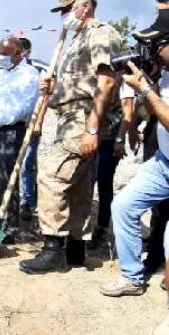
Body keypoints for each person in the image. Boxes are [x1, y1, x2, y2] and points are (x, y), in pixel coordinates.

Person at [19, 0, 121, 274]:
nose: (63, 15)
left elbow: (107, 81)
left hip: (84, 118)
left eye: (67, 8)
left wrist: (92, 128)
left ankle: (53, 250)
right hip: (70, 117)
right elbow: (78, 83)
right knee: (77, 185)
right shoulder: (76, 39)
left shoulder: (101, 33)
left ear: (85, 5)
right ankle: (76, 249)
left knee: (51, 177)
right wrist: (54, 88)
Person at [99, 13, 169, 298]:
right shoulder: (165, 71)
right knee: (124, 206)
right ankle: (132, 277)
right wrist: (145, 81)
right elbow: (152, 110)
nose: (152, 52)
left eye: (157, 45)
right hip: (164, 161)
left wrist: (146, 90)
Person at [0, 36, 39, 237]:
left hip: (10, 131)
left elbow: (25, 106)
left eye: (5, 54)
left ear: (18, 53)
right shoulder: (1, 74)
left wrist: (0, 120)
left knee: (7, 178)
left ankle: (11, 226)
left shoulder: (29, 74)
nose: (1, 57)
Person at [87, 82, 136, 249]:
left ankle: (101, 228)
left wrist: (120, 139)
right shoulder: (97, 76)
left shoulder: (123, 81)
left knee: (104, 184)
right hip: (92, 138)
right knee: (86, 181)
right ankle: (82, 227)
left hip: (110, 140)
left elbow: (128, 111)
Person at [18, 37, 44, 221]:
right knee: (12, 164)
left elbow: (44, 99)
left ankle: (26, 201)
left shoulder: (38, 71)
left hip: (30, 124)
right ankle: (13, 198)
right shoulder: (9, 71)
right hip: (11, 125)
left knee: (27, 164)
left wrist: (38, 123)